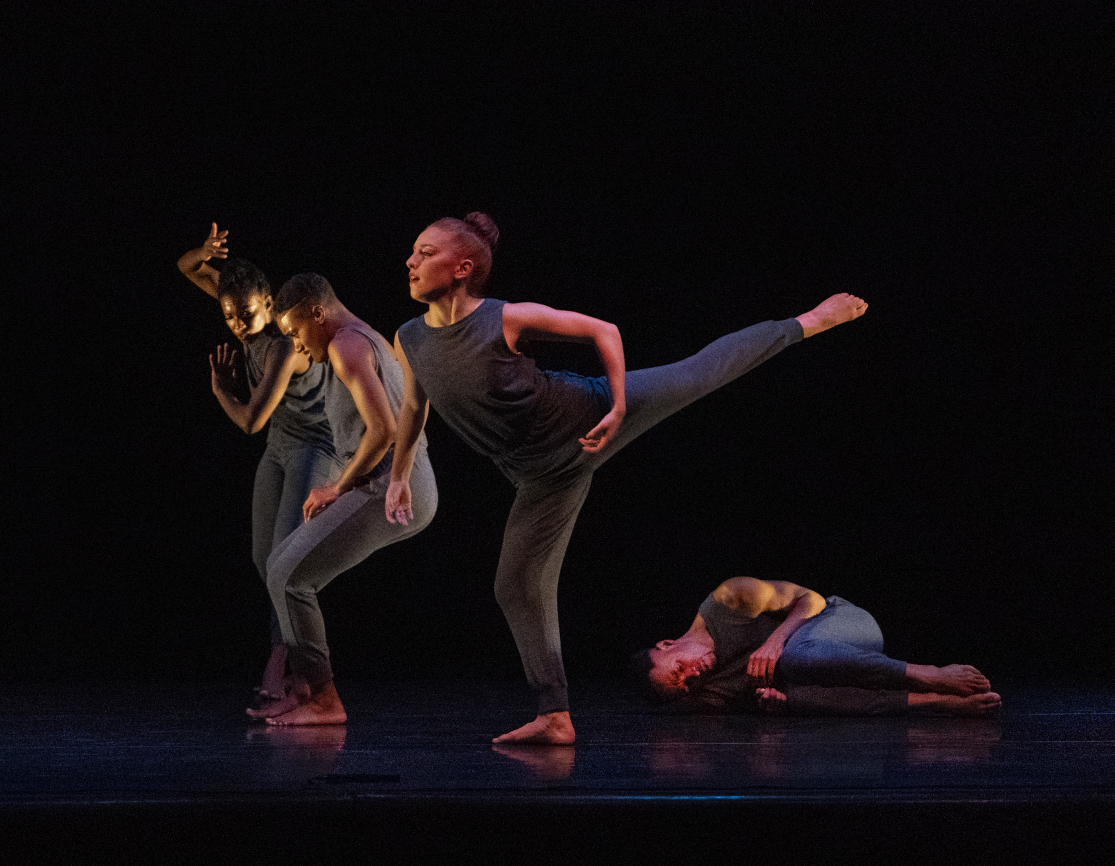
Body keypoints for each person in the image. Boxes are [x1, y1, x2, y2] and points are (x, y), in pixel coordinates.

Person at [384, 211, 869, 744]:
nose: (411, 261)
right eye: (414, 252)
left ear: (462, 267)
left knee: (698, 373)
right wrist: (399, 474)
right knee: (514, 586)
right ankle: (555, 715)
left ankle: (808, 321)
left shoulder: (506, 317)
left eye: (425, 252)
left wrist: (616, 403)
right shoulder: (409, 339)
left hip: (585, 414)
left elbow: (604, 330)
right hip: (541, 477)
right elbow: (413, 405)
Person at [254, 272, 438, 725]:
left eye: (296, 331)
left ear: (318, 313)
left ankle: (324, 700)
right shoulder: (369, 337)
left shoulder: (345, 346)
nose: (297, 345)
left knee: (286, 575)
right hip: (403, 483)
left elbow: (384, 430)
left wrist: (338, 487)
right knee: (287, 570)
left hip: (392, 487)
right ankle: (305, 689)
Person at [177, 224, 339, 709]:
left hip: (316, 446)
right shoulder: (239, 307)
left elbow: (250, 421)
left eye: (246, 314)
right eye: (228, 316)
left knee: (286, 560)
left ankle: (287, 663)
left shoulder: (285, 345)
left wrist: (220, 391)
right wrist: (204, 252)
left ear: (268, 304)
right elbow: (186, 267)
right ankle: (291, 660)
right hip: (281, 445)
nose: (237, 325)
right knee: (261, 556)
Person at [632, 576, 1001, 717]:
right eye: (683, 687)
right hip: (828, 671)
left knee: (795, 658)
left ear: (666, 644)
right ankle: (937, 701)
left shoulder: (729, 599)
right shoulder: (704, 693)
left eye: (678, 670)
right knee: (800, 698)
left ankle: (927, 674)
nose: (691, 677)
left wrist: (775, 640)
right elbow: (756, 701)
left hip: (844, 624)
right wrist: (771, 704)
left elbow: (812, 599)